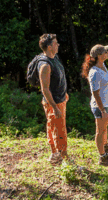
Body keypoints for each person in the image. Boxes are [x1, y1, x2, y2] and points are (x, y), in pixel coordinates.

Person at [81, 44, 108, 166]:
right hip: (101, 107)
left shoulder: (102, 66)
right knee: (100, 131)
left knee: (105, 128)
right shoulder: (94, 72)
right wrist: (103, 110)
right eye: (105, 51)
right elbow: (95, 93)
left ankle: (106, 147)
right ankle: (103, 157)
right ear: (99, 56)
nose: (107, 52)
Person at [36, 34, 74, 166]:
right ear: (49, 46)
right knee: (59, 131)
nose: (58, 45)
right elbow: (45, 89)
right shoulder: (45, 65)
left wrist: (64, 94)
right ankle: (64, 159)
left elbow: (59, 79)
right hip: (53, 103)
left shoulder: (55, 58)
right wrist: (55, 107)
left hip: (60, 100)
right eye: (55, 43)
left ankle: (55, 156)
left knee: (53, 127)